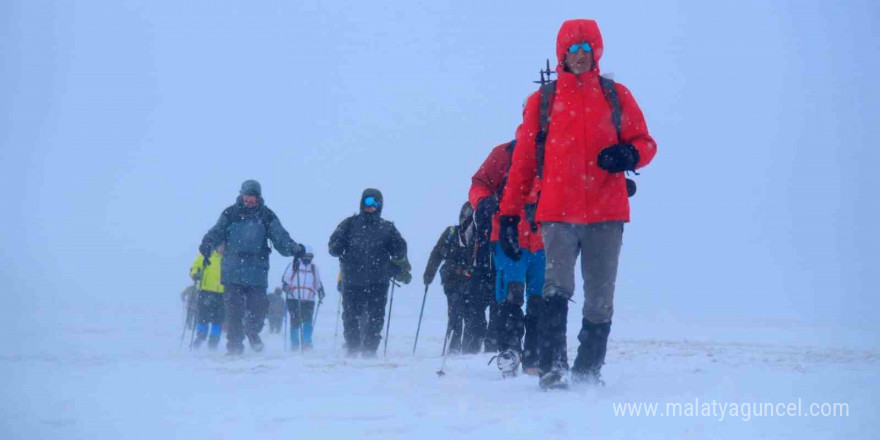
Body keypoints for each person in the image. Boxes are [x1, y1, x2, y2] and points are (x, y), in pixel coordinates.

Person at [499, 19, 657, 388]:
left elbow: (646, 143)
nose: (580, 56)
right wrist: (508, 213)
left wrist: (628, 153)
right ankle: (553, 371)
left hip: (607, 212)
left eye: (587, 49)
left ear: (596, 52)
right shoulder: (543, 102)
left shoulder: (616, 95)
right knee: (555, 289)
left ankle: (588, 372)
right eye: (573, 49)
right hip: (556, 214)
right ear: (562, 55)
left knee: (600, 296)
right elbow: (522, 162)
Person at [199, 179, 306, 355]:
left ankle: (252, 330)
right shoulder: (230, 213)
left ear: (258, 198)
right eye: (247, 196)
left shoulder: (266, 215)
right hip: (232, 270)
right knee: (233, 311)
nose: (250, 200)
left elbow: (280, 237)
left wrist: (293, 248)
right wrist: (207, 244)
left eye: (253, 197)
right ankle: (234, 346)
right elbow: (216, 232)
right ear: (241, 195)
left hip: (257, 270)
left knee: (259, 308)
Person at [470, 138, 546, 377]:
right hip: (507, 235)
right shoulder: (503, 153)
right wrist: (483, 202)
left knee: (540, 299)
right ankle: (510, 352)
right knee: (510, 296)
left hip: (546, 238)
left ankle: (534, 356)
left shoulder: (560, 151)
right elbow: (479, 183)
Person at [328, 189, 411, 357]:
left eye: (375, 203)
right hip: (352, 280)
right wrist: (338, 246)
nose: (371, 206)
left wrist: (397, 257)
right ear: (361, 203)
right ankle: (352, 348)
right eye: (368, 202)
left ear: (380, 205)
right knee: (350, 316)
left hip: (378, 281)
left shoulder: (387, 227)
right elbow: (333, 247)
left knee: (376, 317)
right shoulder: (349, 224)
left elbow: (399, 251)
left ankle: (369, 351)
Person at [423, 202, 483, 354]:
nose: (465, 219)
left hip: (472, 281)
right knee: (456, 313)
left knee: (471, 315)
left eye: (468, 215)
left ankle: (469, 352)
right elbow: (437, 253)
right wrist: (429, 274)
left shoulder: (480, 236)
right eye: (464, 215)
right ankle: (454, 350)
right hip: (452, 280)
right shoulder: (451, 232)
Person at [281, 245, 326, 350]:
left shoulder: (314, 268)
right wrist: (286, 286)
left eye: (309, 256)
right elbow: (285, 279)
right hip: (293, 298)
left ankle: (307, 342)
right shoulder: (294, 265)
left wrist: (320, 291)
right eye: (305, 256)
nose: (307, 258)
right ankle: (295, 344)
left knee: (307, 321)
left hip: (309, 299)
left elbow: (317, 282)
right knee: (295, 321)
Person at [189, 243, 225, 349]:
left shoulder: (228, 258)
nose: (222, 248)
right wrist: (195, 274)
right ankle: (200, 337)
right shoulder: (206, 255)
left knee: (218, 319)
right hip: (206, 291)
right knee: (203, 317)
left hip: (222, 294)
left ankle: (214, 342)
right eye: (220, 245)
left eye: (224, 246)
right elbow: (194, 267)